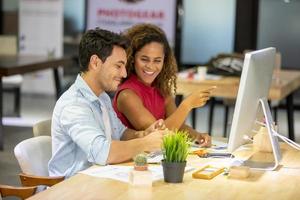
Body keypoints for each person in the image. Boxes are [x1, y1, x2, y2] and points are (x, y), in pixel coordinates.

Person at [48, 28, 166, 178]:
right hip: (73, 190)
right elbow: (102, 153)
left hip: (98, 181)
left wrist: (143, 134)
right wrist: (146, 143)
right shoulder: (73, 105)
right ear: (95, 63)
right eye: (118, 66)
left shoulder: (102, 96)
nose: (124, 73)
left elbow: (120, 133)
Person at [113, 24, 215, 147]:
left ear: (164, 61)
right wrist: (187, 105)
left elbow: (178, 126)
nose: (150, 66)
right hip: (131, 161)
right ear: (133, 58)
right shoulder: (127, 94)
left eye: (157, 60)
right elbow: (159, 135)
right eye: (144, 59)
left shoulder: (161, 88)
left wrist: (198, 136)